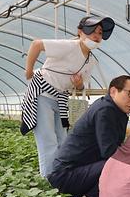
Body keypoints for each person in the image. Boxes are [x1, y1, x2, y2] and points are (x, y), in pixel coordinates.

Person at [21, 15, 115, 178]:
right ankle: (50, 180)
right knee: (48, 140)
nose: (96, 36)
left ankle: (61, 175)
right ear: (80, 32)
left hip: (60, 98)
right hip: (42, 93)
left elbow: (80, 87)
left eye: (99, 33)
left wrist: (78, 84)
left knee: (63, 139)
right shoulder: (69, 46)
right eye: (91, 31)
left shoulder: (91, 61)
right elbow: (36, 44)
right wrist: (28, 70)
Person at [47, 75, 130, 197]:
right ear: (113, 91)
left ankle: (91, 195)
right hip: (65, 176)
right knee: (116, 163)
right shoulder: (105, 110)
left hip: (78, 171)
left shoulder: (114, 110)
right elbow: (109, 152)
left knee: (120, 162)